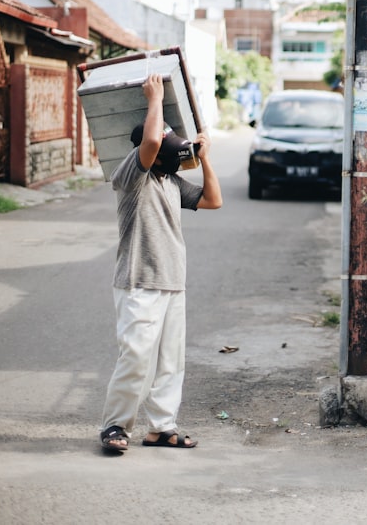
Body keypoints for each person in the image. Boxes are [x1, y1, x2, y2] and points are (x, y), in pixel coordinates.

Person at [99, 73, 223, 453]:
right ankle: (115, 426)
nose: (170, 146)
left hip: (173, 282)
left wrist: (203, 159)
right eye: (166, 142)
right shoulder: (133, 176)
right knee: (136, 358)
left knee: (170, 362)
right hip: (138, 281)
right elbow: (152, 139)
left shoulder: (170, 181)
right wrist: (155, 97)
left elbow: (212, 200)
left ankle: (161, 428)